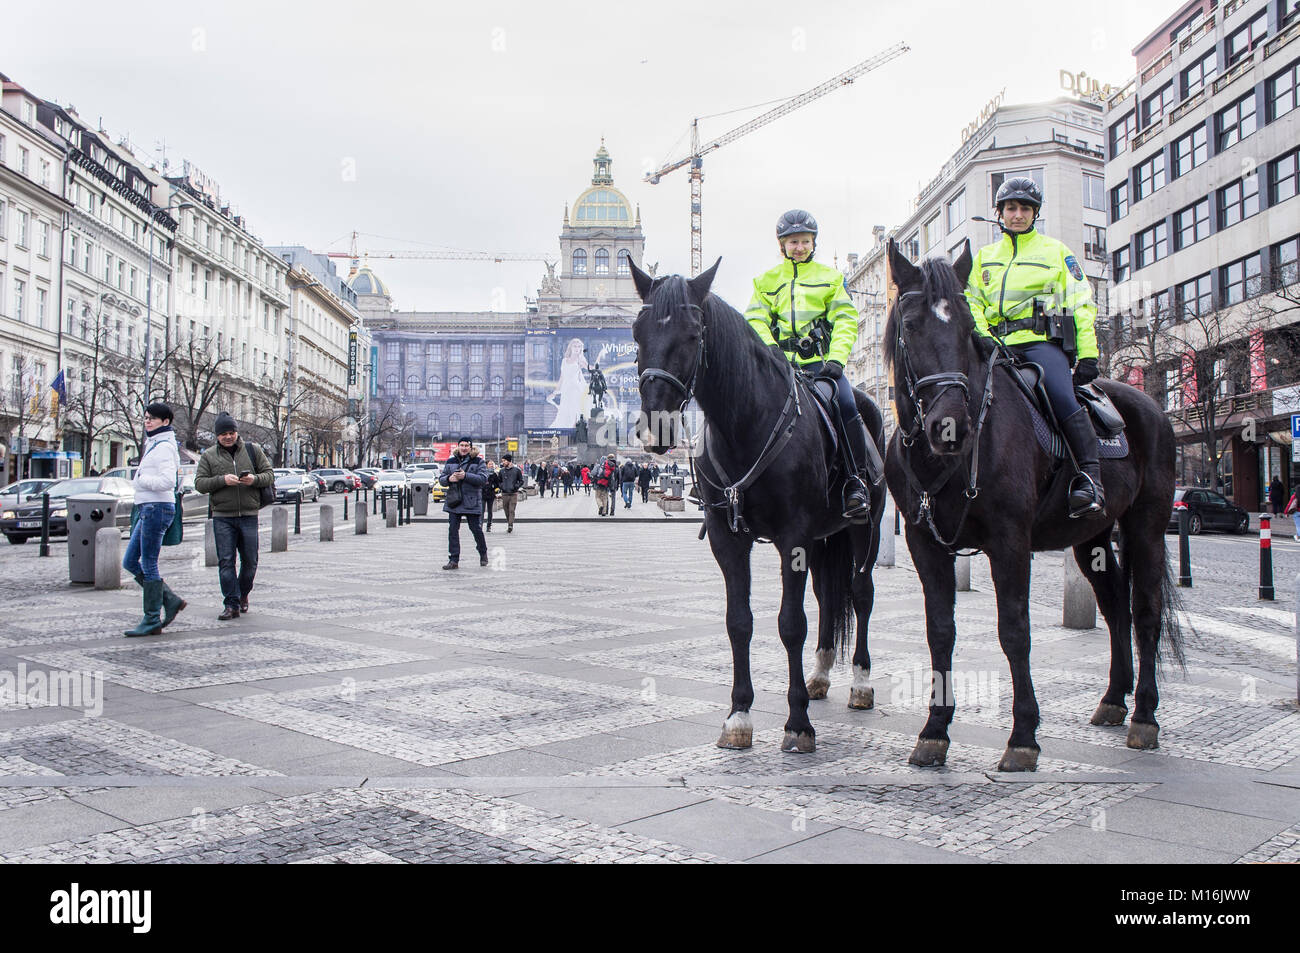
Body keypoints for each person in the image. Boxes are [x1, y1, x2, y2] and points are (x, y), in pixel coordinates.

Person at [963, 177, 1104, 518]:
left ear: (1034, 213)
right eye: (1011, 208)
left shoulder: (1055, 252)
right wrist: (981, 334)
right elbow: (970, 300)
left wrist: (1088, 353)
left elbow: (1080, 301)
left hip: (1039, 345)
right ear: (1000, 213)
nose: (1018, 215)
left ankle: (1090, 477)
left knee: (1061, 395)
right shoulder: (984, 258)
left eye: (1025, 208)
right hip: (994, 347)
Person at [745, 209, 877, 520]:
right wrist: (772, 350)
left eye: (805, 241)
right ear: (782, 245)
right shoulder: (765, 281)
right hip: (779, 367)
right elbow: (755, 319)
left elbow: (845, 320)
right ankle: (737, 486)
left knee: (846, 405)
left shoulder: (830, 279)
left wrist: (836, 359)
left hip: (821, 366)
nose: (800, 247)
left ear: (813, 243)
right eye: (793, 242)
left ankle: (855, 482)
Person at [195, 412, 275, 620]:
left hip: (249, 514)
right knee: (226, 561)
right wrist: (222, 480)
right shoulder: (209, 455)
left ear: (236, 433)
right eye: (223, 434)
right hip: (223, 516)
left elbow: (269, 475)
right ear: (217, 436)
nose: (228, 437)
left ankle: (243, 593)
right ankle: (231, 603)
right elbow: (200, 484)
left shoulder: (252, 450)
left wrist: (254, 479)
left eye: (231, 432)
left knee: (250, 561)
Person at [122, 402, 186, 637]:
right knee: (129, 561)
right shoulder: (155, 443)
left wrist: (140, 480)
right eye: (146, 418)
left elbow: (167, 481)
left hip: (156, 507)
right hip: (147, 506)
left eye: (152, 418)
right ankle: (169, 600)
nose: (147, 421)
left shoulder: (165, 447)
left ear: (165, 422)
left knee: (148, 563)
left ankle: (151, 619)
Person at [439, 438, 488, 569]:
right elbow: (442, 479)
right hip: (454, 501)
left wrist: (465, 476)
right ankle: (453, 560)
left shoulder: (478, 461)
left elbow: (483, 479)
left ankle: (483, 553)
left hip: (471, 501)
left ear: (471, 447)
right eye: (462, 445)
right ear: (458, 446)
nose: (464, 448)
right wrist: (449, 479)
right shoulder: (451, 461)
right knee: (453, 531)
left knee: (476, 530)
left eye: (467, 445)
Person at [498, 453, 525, 533]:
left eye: (504, 461)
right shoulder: (502, 471)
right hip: (505, 493)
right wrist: (502, 486)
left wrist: (516, 486)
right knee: (506, 510)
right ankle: (509, 522)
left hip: (513, 493)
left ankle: (510, 525)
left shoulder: (517, 470)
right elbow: (499, 481)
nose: (503, 462)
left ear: (509, 461)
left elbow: (521, 481)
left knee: (511, 510)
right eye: (502, 461)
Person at [481, 459, 501, 531]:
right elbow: (479, 482)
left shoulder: (494, 474)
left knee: (490, 510)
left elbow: (497, 484)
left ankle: (488, 525)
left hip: (490, 494)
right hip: (482, 494)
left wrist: (493, 486)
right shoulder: (482, 473)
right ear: (486, 465)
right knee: (481, 510)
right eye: (490, 464)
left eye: (492, 464)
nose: (491, 465)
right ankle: (480, 525)